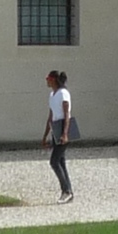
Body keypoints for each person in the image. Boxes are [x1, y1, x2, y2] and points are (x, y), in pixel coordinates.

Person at [40, 69, 76, 204]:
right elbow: (51, 116)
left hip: (63, 126)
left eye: (49, 79)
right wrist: (45, 136)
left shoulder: (63, 93)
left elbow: (66, 114)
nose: (47, 81)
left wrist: (65, 133)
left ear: (54, 79)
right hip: (56, 126)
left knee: (54, 161)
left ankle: (66, 190)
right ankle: (68, 191)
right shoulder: (52, 95)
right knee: (60, 161)